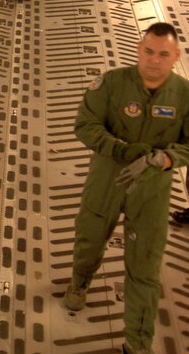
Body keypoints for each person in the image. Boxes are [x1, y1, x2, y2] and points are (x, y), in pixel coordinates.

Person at [63, 22, 189, 354]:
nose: (154, 60)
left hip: (152, 191)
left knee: (145, 268)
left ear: (176, 56)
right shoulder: (111, 84)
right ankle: (80, 281)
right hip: (106, 179)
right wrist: (118, 149)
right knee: (90, 237)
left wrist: (161, 160)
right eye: (148, 51)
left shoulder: (185, 95)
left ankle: (137, 342)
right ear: (138, 49)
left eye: (164, 54)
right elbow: (85, 124)